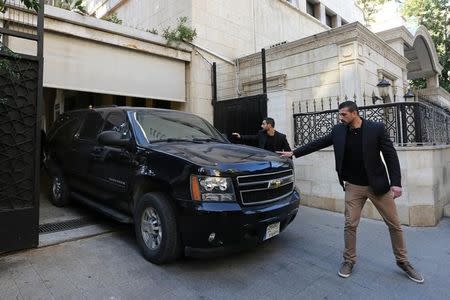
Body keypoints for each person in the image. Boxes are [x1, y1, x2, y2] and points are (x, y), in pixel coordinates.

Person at [278, 101, 424, 283]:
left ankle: (403, 262)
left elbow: (390, 155)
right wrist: (294, 153)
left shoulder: (375, 128)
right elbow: (319, 143)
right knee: (350, 224)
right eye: (340, 115)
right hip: (354, 186)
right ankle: (349, 260)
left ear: (355, 113)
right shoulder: (339, 130)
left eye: (344, 114)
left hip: (377, 186)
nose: (341, 118)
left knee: (394, 225)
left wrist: (396, 183)